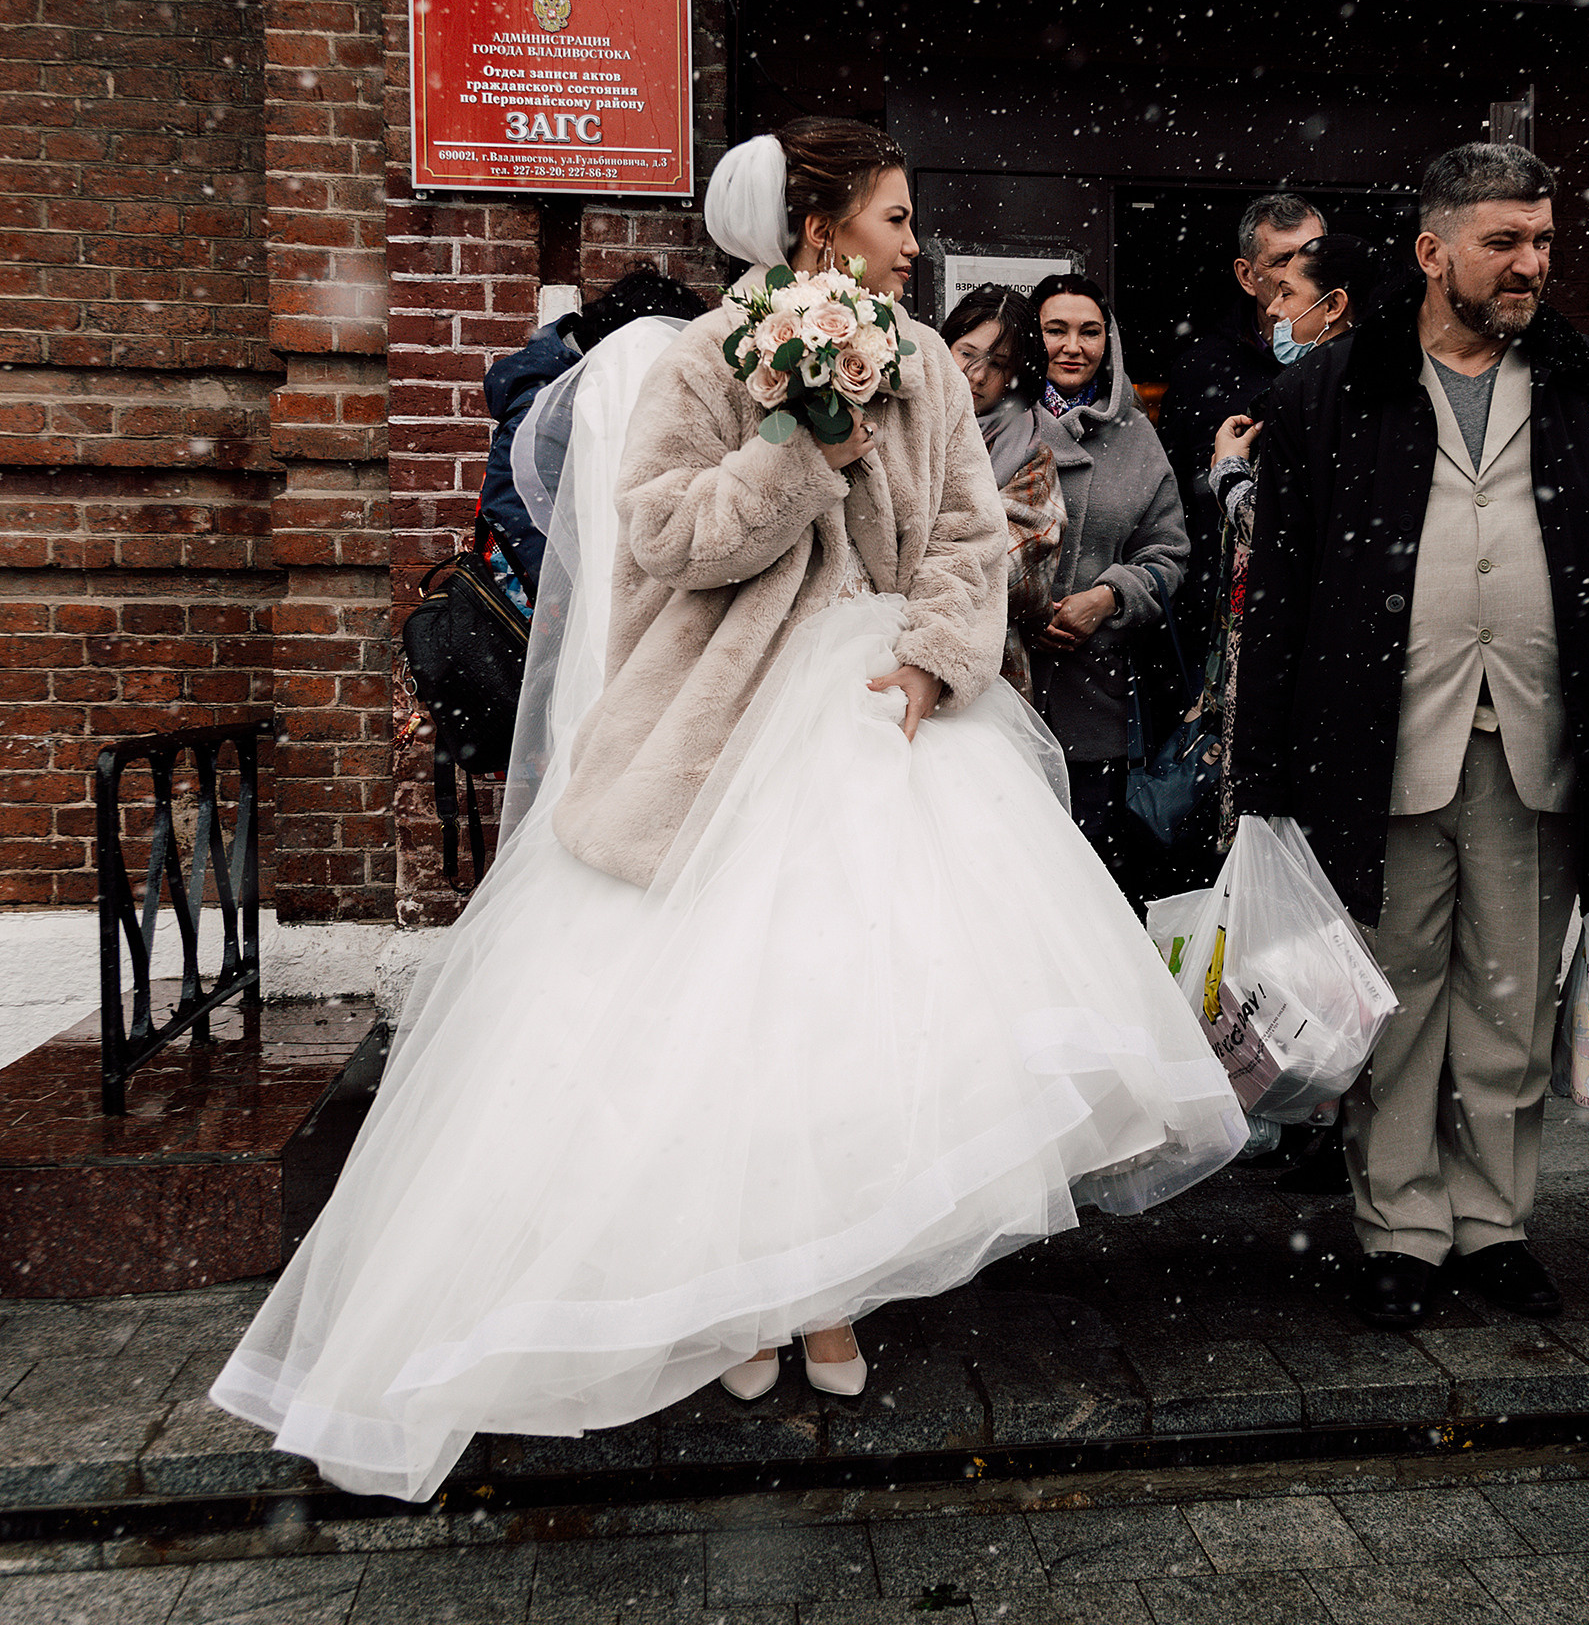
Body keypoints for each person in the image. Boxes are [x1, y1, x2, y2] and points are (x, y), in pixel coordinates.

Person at [212, 119, 1243, 1497]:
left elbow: (964, 535)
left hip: (888, 714)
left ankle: (825, 1278)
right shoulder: (705, 360)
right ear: (820, 231)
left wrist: (938, 659)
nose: (912, 242)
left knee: (862, 1020)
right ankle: (749, 1290)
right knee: (727, 1026)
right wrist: (800, 449)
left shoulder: (927, 361)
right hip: (729, 725)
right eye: (890, 216)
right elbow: (670, 539)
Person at [1232, 142, 1589, 1332]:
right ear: (1433, 253)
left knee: (1512, 999)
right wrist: (1262, 773)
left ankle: (1493, 1220)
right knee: (1398, 997)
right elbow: (1279, 589)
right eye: (1502, 243)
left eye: (1539, 241)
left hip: (1538, 744)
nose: (1529, 264)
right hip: (1377, 744)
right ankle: (1402, 1226)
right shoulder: (1327, 391)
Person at [1206, 232, 1382, 854]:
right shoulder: (1383, 382)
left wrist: (1227, 471)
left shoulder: (1310, 392)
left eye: (1287, 293)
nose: (1275, 310)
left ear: (1332, 306)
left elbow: (1279, 529)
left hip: (1294, 632)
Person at [1024, 273, 1189, 886]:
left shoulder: (1135, 434)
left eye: (1089, 331)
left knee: (1086, 885)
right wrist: (1022, 611)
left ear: (1108, 341)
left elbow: (1169, 552)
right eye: (1055, 330)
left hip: (1098, 705)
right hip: (1000, 692)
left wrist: (1109, 595)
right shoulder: (995, 421)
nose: (1073, 345)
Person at [484, 267, 712, 608]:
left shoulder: (591, 388)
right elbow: (517, 519)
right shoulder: (549, 409)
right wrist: (592, 603)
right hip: (540, 617)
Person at [1160, 192, 1324, 650]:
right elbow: (1172, 499)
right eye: (1283, 259)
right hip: (1225, 612)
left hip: (1328, 604)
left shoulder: (1363, 368)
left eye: (1313, 254)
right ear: (1247, 275)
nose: (1300, 271)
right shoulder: (1201, 371)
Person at [941, 283, 1065, 697]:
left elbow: (1007, 571)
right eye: (966, 353)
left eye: (997, 364)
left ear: (1016, 375)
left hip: (986, 670)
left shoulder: (1031, 455)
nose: (976, 375)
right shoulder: (898, 423)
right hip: (877, 646)